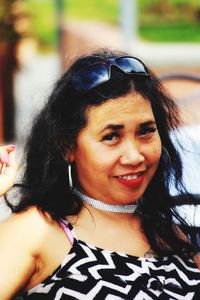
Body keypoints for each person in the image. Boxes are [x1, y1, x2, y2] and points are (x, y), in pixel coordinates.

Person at [0, 48, 200, 300]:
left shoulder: (173, 236)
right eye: (111, 137)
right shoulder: (38, 231)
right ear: (67, 146)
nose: (134, 156)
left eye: (146, 131)